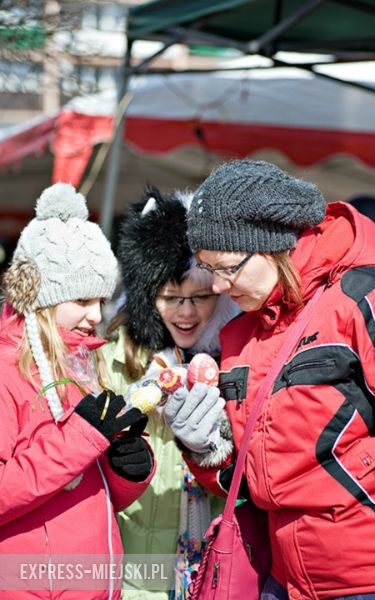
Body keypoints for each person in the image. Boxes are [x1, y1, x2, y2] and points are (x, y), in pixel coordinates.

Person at [164, 160, 375, 599]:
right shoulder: (241, 334)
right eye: (207, 268)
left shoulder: (367, 297)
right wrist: (203, 446)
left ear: (270, 246)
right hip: (281, 580)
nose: (217, 287)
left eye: (227, 267)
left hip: (373, 580)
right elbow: (248, 480)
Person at [0, 183, 154, 600]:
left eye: (101, 299)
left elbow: (88, 493)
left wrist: (127, 471)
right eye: (83, 299)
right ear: (43, 297)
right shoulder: (5, 369)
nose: (96, 315)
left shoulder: (81, 361)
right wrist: (82, 437)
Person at [102, 187, 239, 599]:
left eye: (199, 297)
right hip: (133, 567)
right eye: (170, 298)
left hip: (210, 566)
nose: (185, 312)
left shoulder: (235, 359)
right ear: (147, 297)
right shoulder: (115, 358)